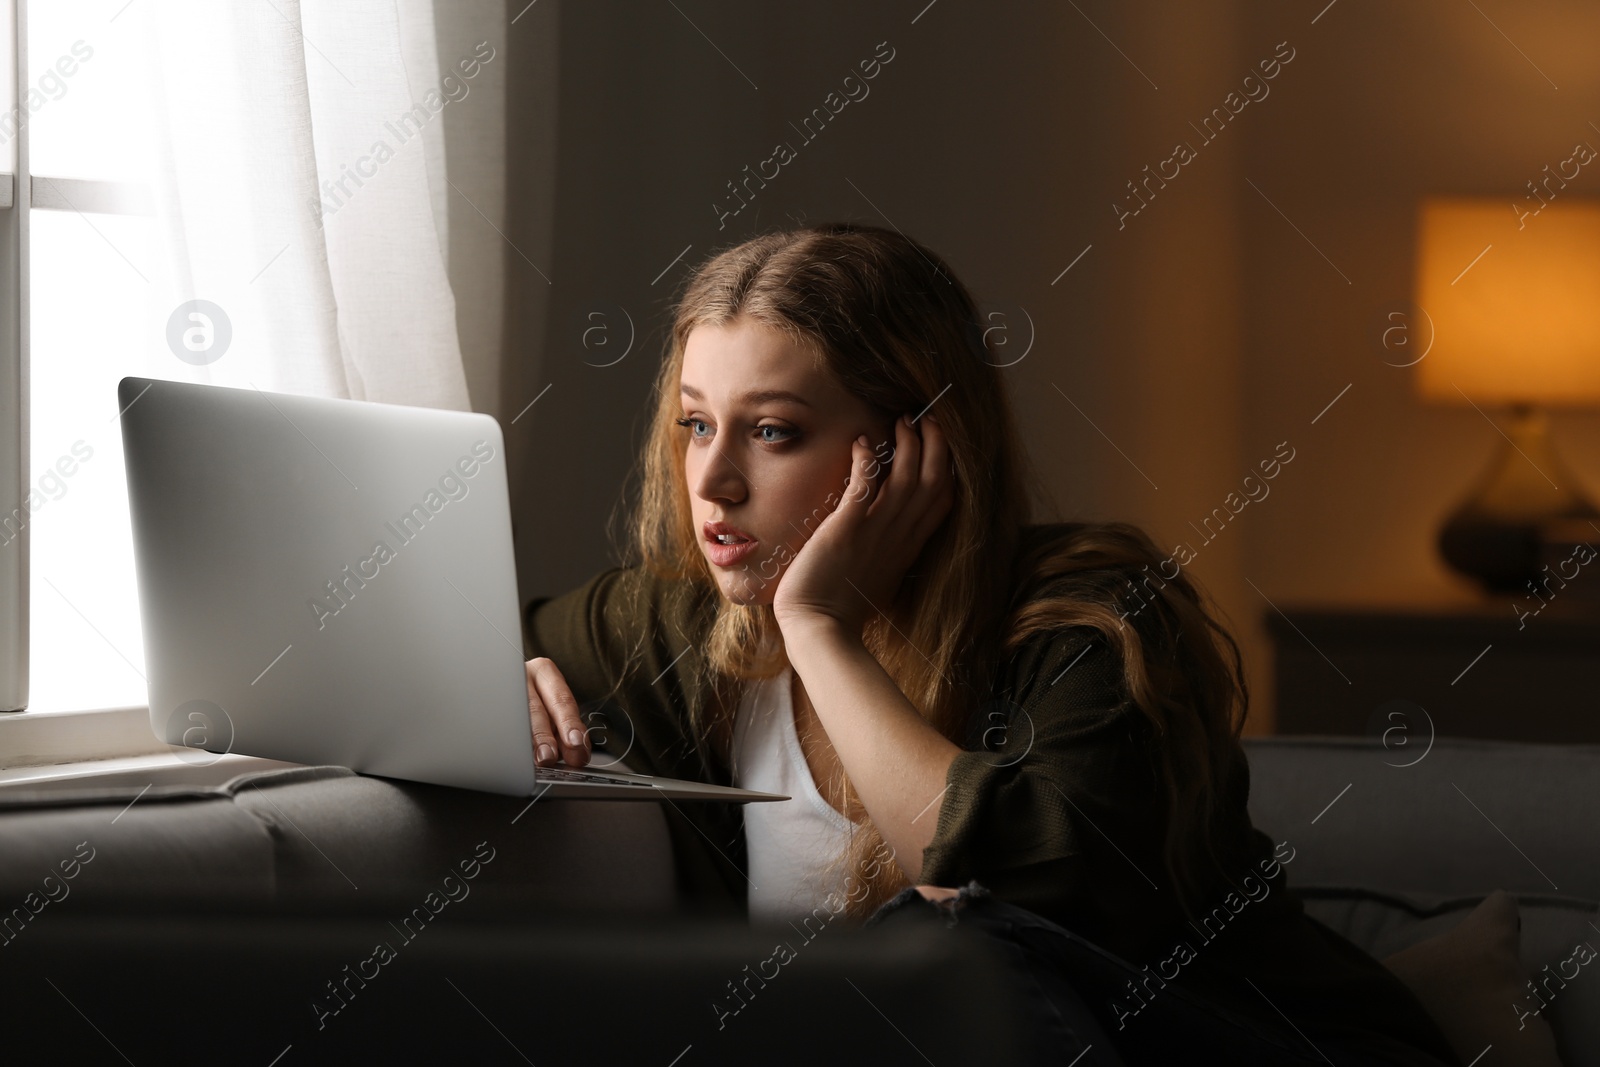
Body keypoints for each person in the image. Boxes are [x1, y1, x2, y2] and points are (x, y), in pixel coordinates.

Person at [519, 223, 1463, 1065]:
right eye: (695, 424)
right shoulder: (688, 627)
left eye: (772, 430)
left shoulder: (1096, 624)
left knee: (955, 940)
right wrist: (504, 675)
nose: (714, 480)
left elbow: (1011, 897)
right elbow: (480, 635)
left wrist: (820, 627)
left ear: (910, 448)